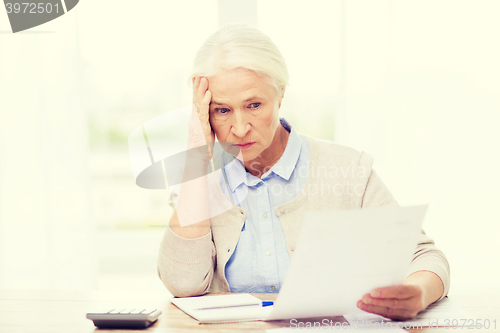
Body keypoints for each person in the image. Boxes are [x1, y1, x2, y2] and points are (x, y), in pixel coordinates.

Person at [157, 23, 450, 320]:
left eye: (254, 104)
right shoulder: (198, 182)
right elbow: (184, 284)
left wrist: (418, 292)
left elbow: (424, 257)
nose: (240, 127)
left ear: (280, 93)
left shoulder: (347, 169)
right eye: (222, 110)